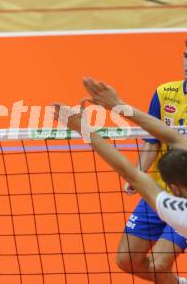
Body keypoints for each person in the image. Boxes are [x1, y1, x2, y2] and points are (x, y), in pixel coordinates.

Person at [51, 77, 187, 284]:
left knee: (159, 264)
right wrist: (118, 106)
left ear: (175, 189)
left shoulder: (179, 212)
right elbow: (172, 138)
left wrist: (86, 129)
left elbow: (130, 172)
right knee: (127, 260)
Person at [114, 52, 187, 284]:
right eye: (186, 56)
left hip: (185, 198)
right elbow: (152, 141)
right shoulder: (165, 94)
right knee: (126, 259)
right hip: (158, 191)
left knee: (158, 264)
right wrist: (138, 173)